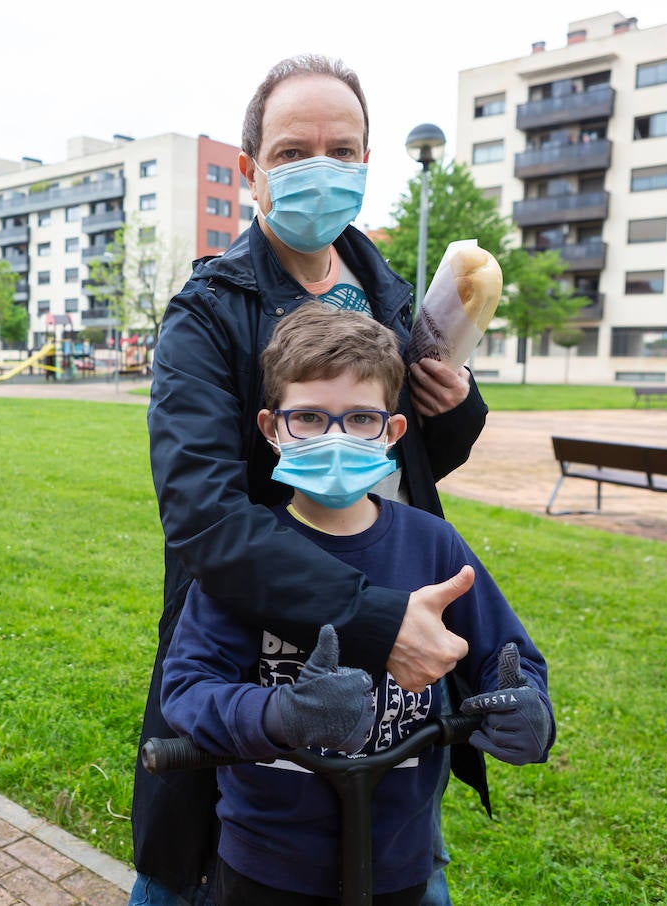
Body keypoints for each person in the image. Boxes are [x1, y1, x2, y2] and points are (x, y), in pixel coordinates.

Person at [132, 54, 490, 906]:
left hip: (395, 661)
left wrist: (455, 409)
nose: (319, 168)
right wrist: (372, 621)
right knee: (210, 869)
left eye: (342, 149)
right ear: (252, 171)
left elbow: (396, 462)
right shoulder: (209, 315)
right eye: (293, 152)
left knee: (393, 851)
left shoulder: (389, 296)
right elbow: (205, 518)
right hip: (254, 651)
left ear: (367, 164)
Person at [159, 306, 554, 905]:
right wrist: (281, 715)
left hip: (398, 858)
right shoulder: (251, 560)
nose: (335, 437)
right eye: (309, 418)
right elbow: (186, 693)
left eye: (361, 418)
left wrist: (529, 709)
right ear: (271, 428)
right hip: (265, 863)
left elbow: (510, 658)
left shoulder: (432, 544)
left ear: (393, 431)